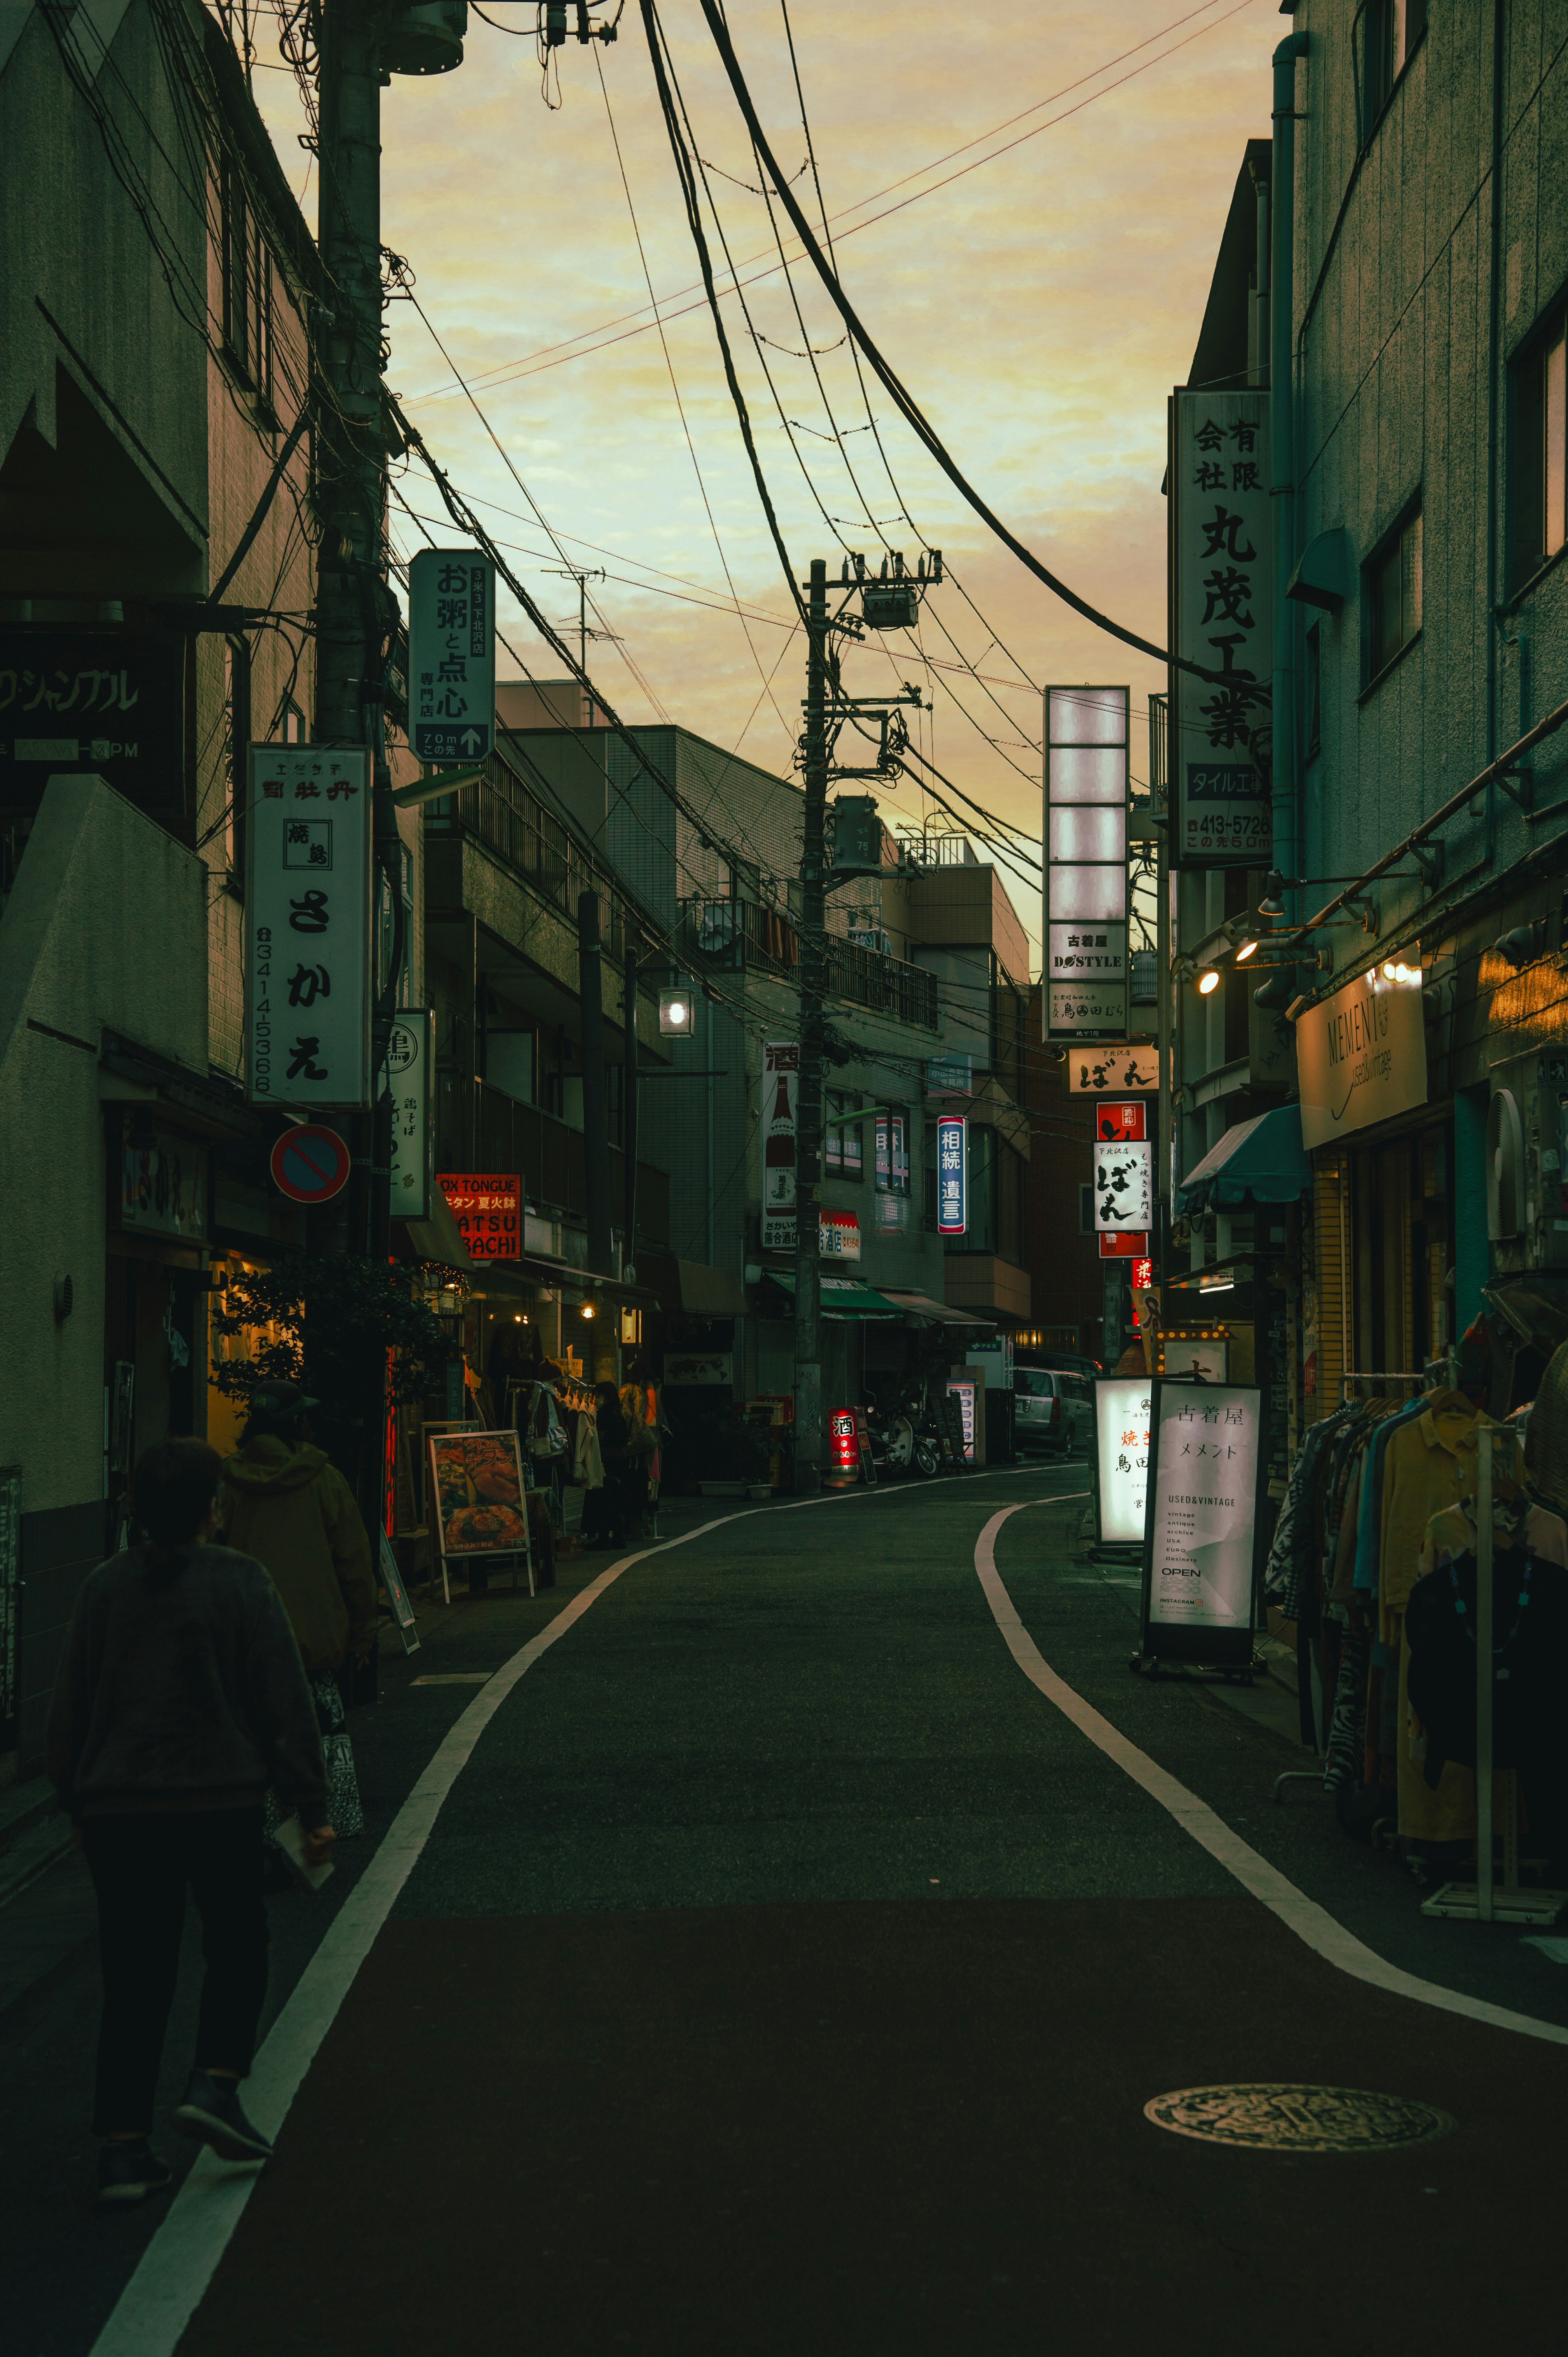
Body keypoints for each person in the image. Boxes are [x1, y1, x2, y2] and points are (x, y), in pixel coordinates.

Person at [47, 1436, 332, 2207]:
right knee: (237, 1943)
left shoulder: (105, 1588)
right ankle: (215, 2081)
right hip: (217, 1800)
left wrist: (76, 1800)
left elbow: (69, 1706)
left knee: (136, 1973)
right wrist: (312, 1806)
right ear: (214, 1506)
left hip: (118, 1807)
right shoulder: (240, 1582)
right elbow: (283, 1700)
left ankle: (122, 2149)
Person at [216, 1381, 376, 1844]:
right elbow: (355, 1563)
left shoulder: (228, 1481)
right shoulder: (323, 1478)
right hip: (312, 1640)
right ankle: (321, 1828)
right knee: (318, 1736)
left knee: (255, 1738)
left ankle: (263, 1834)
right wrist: (363, 1631)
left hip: (248, 1644)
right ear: (296, 1422)